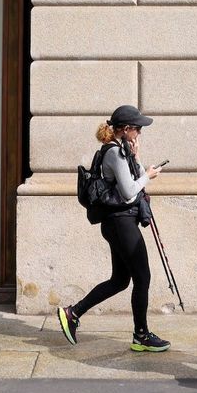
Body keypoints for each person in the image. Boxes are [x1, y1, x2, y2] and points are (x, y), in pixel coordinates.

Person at [56, 105, 170, 353]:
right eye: (137, 129)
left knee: (120, 280)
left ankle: (72, 313)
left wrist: (138, 159)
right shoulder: (114, 154)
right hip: (121, 223)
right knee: (143, 277)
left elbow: (131, 182)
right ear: (126, 129)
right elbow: (130, 192)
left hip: (118, 223)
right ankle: (141, 335)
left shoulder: (121, 151)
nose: (140, 132)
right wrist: (148, 175)